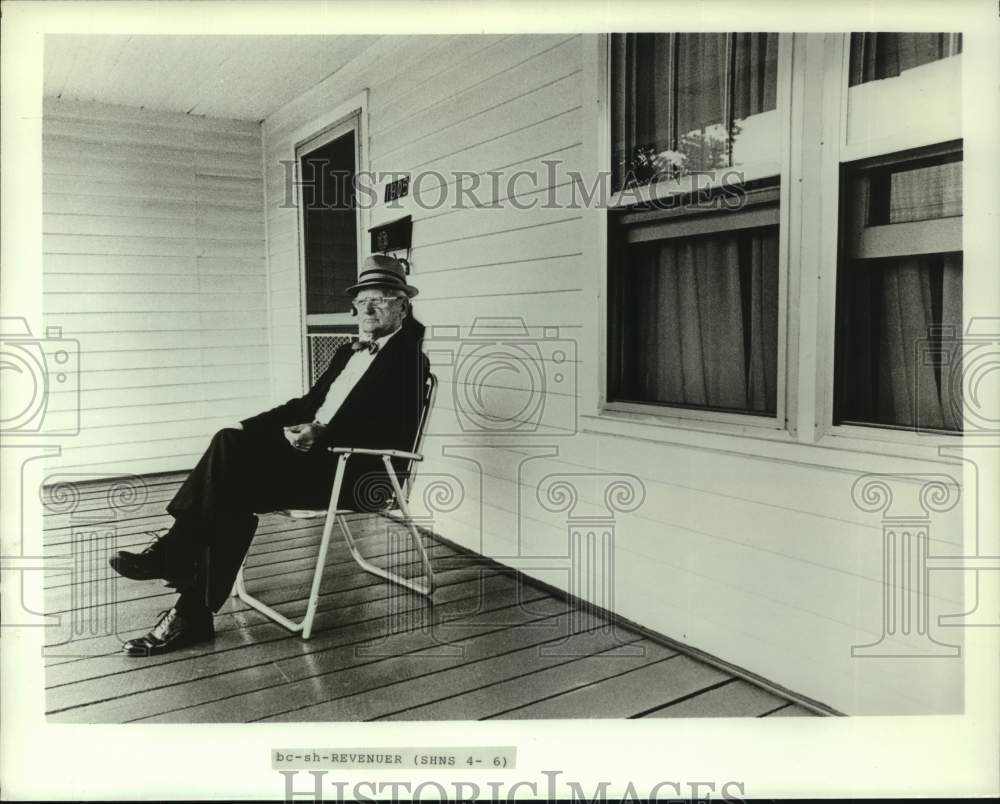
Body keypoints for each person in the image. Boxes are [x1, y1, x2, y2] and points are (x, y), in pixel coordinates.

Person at [110, 255, 427, 656]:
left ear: (402, 306)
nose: (367, 309)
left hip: (357, 473)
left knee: (228, 479)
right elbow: (308, 402)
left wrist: (325, 433)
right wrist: (252, 426)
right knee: (230, 463)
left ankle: (176, 563)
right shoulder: (349, 354)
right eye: (362, 300)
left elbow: (392, 433)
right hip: (315, 461)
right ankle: (191, 609)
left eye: (380, 300)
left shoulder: (410, 362)